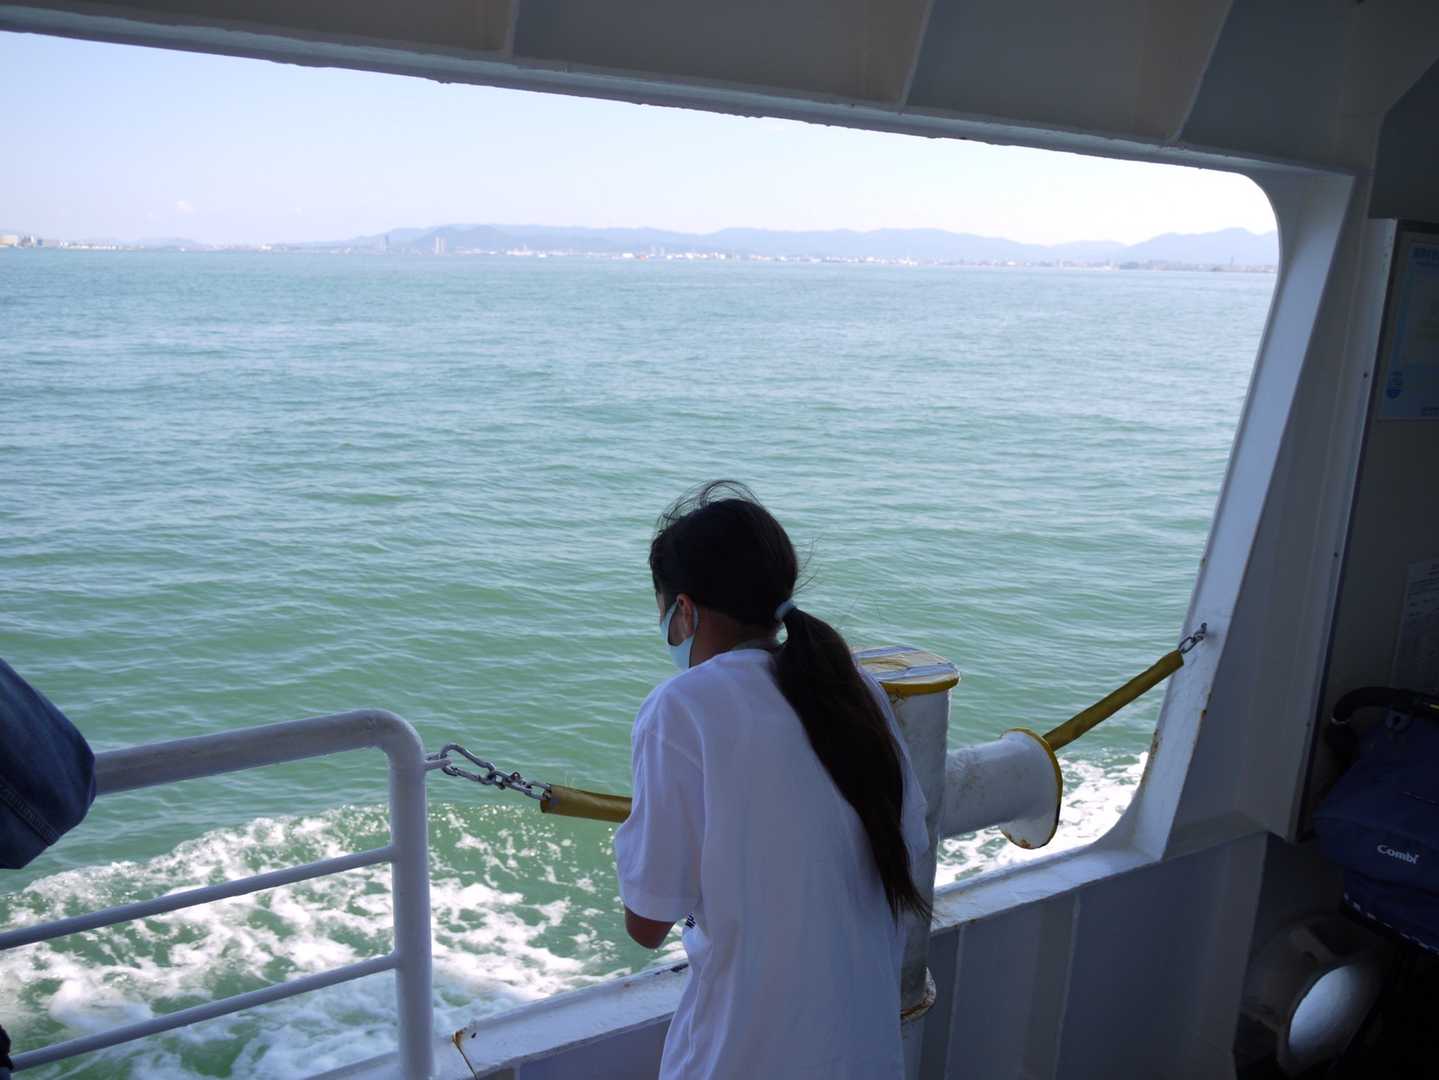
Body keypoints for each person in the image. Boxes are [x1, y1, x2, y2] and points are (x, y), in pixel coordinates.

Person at [613, 481, 931, 1079]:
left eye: (666, 615)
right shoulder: (854, 691)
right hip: (864, 1056)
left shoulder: (682, 708)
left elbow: (647, 922)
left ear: (685, 611)